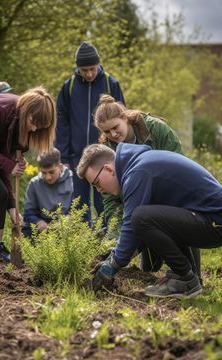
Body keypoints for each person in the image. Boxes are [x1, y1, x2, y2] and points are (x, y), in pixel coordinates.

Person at [77, 143, 222, 298]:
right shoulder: (138, 164)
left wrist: (112, 265)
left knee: (140, 217)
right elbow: (143, 230)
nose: (99, 190)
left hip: (214, 222)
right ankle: (186, 275)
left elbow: (134, 225)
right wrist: (114, 257)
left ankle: (184, 278)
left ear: (108, 169)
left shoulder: (137, 173)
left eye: (97, 183)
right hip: (206, 219)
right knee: (144, 219)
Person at [94, 94, 201, 279]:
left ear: (125, 117)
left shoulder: (157, 130)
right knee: (149, 267)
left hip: (169, 195)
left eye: (115, 128)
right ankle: (154, 256)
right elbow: (111, 199)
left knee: (181, 219)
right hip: (136, 202)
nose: (113, 135)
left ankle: (193, 274)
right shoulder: (108, 148)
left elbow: (178, 167)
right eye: (107, 132)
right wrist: (114, 236)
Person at [0, 86, 56, 262]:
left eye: (39, 127)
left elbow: (1, 168)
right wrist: (9, 164)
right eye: (34, 122)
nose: (34, 128)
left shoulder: (21, 127)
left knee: (1, 195)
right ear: (27, 110)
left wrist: (13, 208)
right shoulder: (1, 108)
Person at [55, 41, 125, 223]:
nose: (89, 74)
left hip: (105, 156)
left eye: (92, 69)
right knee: (78, 205)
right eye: (84, 70)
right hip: (76, 157)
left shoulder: (111, 84)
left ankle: (108, 240)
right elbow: (61, 122)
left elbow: (122, 118)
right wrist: (63, 156)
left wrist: (119, 150)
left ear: (98, 65)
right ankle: (83, 245)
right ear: (78, 69)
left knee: (105, 202)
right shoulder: (68, 87)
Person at [22, 147, 73, 237]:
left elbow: (80, 208)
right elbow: (28, 212)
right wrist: (38, 222)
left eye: (51, 172)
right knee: (26, 228)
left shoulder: (72, 179)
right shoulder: (34, 183)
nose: (48, 177)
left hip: (67, 221)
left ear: (60, 167)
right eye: (44, 173)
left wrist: (65, 221)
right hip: (43, 224)